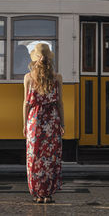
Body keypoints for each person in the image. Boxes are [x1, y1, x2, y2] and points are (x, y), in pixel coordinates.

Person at [23, 43, 65, 204]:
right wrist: (63, 123)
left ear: (35, 59)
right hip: (52, 119)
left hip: (34, 120)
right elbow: (60, 103)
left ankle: (38, 194)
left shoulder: (28, 77)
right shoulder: (57, 78)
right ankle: (48, 194)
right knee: (51, 157)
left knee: (34, 157)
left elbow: (26, 103)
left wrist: (24, 124)